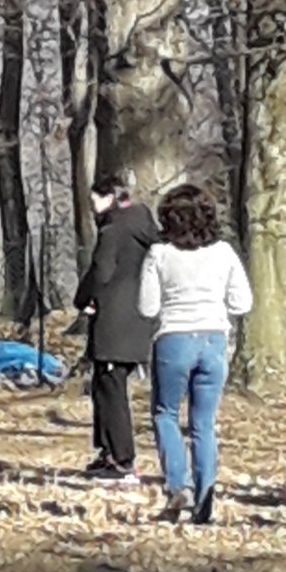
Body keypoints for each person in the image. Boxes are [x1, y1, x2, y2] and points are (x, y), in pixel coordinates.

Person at [138, 183, 252, 524]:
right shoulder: (224, 253)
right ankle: (206, 499)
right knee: (204, 423)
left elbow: (147, 308)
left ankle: (179, 486)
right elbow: (242, 303)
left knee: (166, 415)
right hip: (214, 339)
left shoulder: (159, 254)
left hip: (173, 338)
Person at [74, 175, 160, 483]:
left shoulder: (114, 230)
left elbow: (101, 270)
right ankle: (107, 451)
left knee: (111, 391)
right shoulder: (143, 227)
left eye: (96, 199)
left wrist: (82, 299)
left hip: (114, 322)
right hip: (136, 319)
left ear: (109, 197)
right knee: (104, 385)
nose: (93, 206)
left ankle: (122, 460)